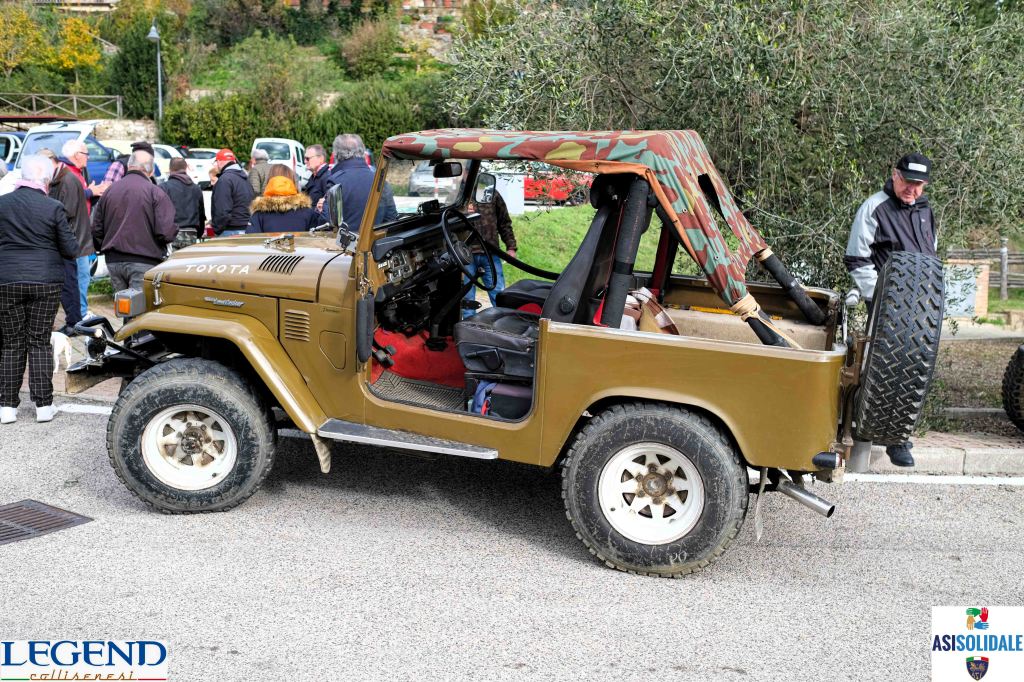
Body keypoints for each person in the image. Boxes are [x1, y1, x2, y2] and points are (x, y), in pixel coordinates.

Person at [844, 152, 937, 468]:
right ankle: (869, 435)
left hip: (921, 311)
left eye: (919, 184)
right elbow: (857, 260)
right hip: (887, 309)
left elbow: (930, 256)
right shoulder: (875, 208)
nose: (913, 189)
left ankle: (899, 438)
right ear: (895, 175)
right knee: (880, 372)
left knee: (915, 373)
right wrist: (883, 298)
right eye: (908, 182)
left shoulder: (925, 210)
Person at [0, 155, 78, 424]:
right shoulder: (53, 207)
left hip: (7, 280)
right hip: (45, 281)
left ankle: (7, 407)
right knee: (39, 341)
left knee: (11, 343)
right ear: (46, 180)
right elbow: (71, 249)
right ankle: (44, 406)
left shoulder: (2, 204)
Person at [92, 151, 178, 293]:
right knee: (140, 305)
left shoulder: (110, 191)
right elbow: (166, 232)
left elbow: (96, 228)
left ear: (129, 165)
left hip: (114, 260)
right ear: (150, 171)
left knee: (123, 304)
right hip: (144, 259)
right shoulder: (155, 192)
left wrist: (103, 246)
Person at [54, 140, 104, 335]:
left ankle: (79, 314)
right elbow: (68, 204)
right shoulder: (69, 175)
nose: (88, 157)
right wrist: (91, 191)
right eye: (86, 153)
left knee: (82, 276)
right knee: (79, 277)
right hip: (76, 238)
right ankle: (79, 316)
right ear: (76, 155)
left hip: (80, 235)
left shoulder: (75, 172)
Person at [321, 133, 398, 231]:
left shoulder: (335, 181)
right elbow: (391, 218)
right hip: (376, 239)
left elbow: (326, 223)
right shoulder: (379, 180)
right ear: (363, 151)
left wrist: (320, 210)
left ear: (336, 154)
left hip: (346, 240)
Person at [462, 189, 517, 317]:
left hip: (490, 254)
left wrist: (511, 247)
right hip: (466, 255)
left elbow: (504, 222)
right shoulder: (459, 196)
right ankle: (468, 326)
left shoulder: (492, 194)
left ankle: (503, 323)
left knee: (498, 294)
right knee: (467, 298)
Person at [247, 175, 321, 234]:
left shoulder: (259, 214)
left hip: (269, 248)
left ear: (267, 192)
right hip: (299, 248)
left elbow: (252, 238)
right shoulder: (308, 212)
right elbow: (314, 237)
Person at [210, 148, 254, 236]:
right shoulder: (244, 178)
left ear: (219, 161)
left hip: (231, 230)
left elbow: (222, 210)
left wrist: (217, 229)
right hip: (246, 228)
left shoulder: (225, 180)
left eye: (216, 162)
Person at [161, 157, 206, 240]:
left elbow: (160, 213)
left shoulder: (164, 188)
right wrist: (199, 233)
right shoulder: (196, 188)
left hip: (171, 233)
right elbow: (201, 215)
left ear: (170, 169)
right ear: (185, 168)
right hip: (192, 232)